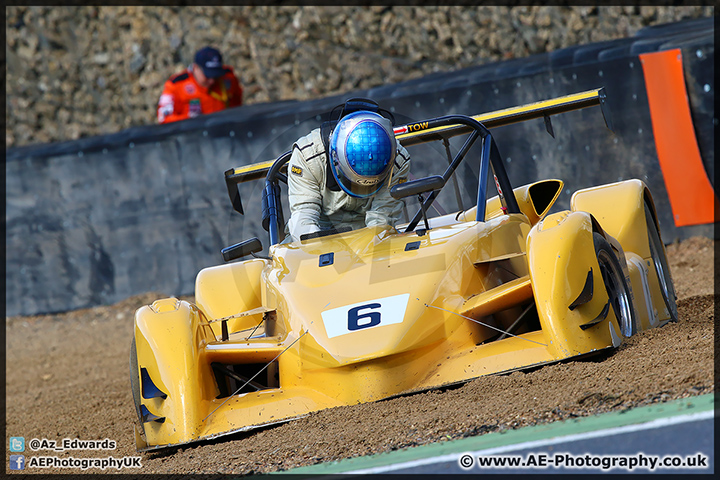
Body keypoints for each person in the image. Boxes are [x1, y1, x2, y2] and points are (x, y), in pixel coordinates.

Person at [287, 98, 411, 242]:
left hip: (365, 233)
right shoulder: (308, 156)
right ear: (335, 156)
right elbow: (303, 219)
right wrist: (320, 251)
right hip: (319, 231)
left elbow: (381, 220)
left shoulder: (398, 160)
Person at [157, 46, 243, 124]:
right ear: (195, 68)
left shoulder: (228, 78)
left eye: (215, 76)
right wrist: (190, 118)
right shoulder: (176, 85)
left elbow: (237, 106)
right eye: (207, 76)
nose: (212, 81)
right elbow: (164, 118)